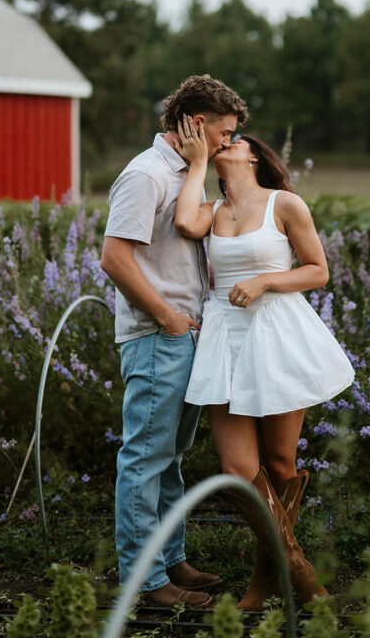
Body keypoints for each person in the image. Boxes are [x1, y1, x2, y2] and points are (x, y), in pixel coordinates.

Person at [173, 116, 355, 609]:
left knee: (279, 464)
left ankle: (262, 580)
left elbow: (318, 271)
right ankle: (299, 572)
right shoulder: (210, 211)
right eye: (222, 142)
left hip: (275, 332)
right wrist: (195, 165)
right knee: (237, 467)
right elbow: (183, 223)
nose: (225, 143)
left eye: (234, 141)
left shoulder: (285, 204)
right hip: (224, 340)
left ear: (254, 155)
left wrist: (266, 281)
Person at [100, 75, 248, 609]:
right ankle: (145, 580)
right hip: (157, 336)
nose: (230, 144)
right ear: (197, 124)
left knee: (171, 458)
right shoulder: (145, 176)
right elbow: (114, 258)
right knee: (145, 458)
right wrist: (165, 316)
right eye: (226, 134)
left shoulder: (186, 174)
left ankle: (170, 559)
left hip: (184, 336)